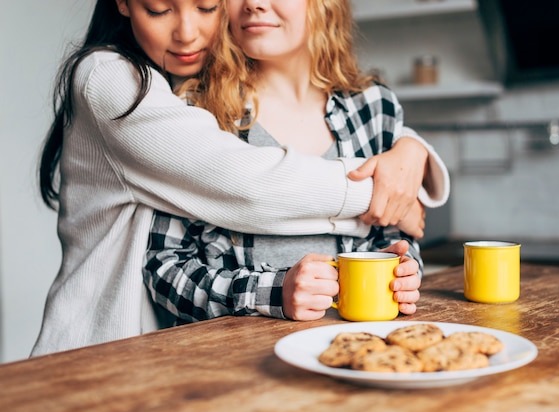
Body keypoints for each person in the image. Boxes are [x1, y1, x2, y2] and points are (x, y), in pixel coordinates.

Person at [31, 0, 448, 356]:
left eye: (208, 5)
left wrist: (412, 159)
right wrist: (384, 191)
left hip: (349, 352)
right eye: (159, 9)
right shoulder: (156, 94)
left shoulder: (371, 107)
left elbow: (393, 239)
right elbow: (246, 186)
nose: (187, 33)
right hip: (101, 357)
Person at [142, 0, 449, 327]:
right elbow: (164, 266)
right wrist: (272, 293)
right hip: (232, 359)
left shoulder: (374, 106)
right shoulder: (194, 111)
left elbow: (398, 237)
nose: (254, 5)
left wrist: (403, 272)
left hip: (358, 346)